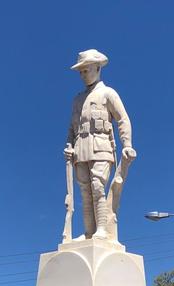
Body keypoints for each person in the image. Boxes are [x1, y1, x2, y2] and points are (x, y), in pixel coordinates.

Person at [64, 49, 136, 240]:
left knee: (97, 187)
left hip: (102, 147)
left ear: (97, 68)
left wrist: (127, 144)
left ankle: (102, 229)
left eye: (86, 70)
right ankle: (89, 233)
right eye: (80, 72)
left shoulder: (108, 93)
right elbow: (72, 127)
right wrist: (69, 146)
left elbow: (123, 119)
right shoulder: (77, 99)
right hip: (81, 149)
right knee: (85, 192)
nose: (83, 75)